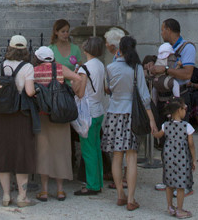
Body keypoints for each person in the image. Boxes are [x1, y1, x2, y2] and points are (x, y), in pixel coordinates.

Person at [103, 35, 159, 211]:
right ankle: (131, 199)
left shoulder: (110, 67)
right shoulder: (136, 68)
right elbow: (144, 97)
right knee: (132, 157)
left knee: (116, 155)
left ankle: (120, 194)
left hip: (113, 113)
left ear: (119, 48)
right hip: (132, 115)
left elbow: (109, 89)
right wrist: (151, 119)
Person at [0, 34, 38, 207]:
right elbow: (29, 91)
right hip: (20, 115)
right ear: (25, 49)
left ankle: (5, 196)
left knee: (4, 154)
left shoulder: (1, 66)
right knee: (21, 155)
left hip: (4, 115)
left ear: (10, 48)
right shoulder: (27, 67)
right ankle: (22, 196)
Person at [32, 45, 82, 201]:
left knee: (43, 152)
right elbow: (78, 79)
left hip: (42, 115)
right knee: (61, 151)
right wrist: (72, 93)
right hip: (60, 114)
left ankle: (44, 190)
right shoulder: (59, 68)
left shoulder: (34, 71)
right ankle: (60, 190)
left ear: (38, 58)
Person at [74, 36, 108, 196]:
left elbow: (80, 93)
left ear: (86, 49)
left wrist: (75, 79)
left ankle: (92, 185)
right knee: (95, 148)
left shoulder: (84, 69)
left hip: (87, 112)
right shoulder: (100, 65)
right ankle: (97, 181)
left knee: (88, 150)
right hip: (99, 109)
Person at [155, 98, 197, 219]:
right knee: (180, 185)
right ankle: (179, 209)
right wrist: (194, 159)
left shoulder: (166, 125)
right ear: (179, 110)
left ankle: (170, 207)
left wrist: (153, 131)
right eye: (184, 109)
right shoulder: (187, 126)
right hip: (182, 157)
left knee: (169, 183)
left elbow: (158, 135)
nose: (185, 111)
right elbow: (191, 144)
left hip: (168, 156)